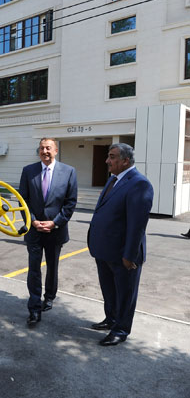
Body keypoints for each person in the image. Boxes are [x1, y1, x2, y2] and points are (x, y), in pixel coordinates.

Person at [87, 143, 153, 346]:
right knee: (109, 291)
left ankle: (121, 329)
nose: (107, 161)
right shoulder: (113, 180)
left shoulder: (140, 184)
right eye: (108, 156)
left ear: (125, 161)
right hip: (104, 250)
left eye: (112, 157)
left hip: (123, 255)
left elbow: (137, 225)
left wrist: (129, 256)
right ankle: (111, 319)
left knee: (125, 294)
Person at [18, 138, 78, 327]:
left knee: (52, 266)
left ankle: (49, 296)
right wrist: (33, 220)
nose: (45, 151)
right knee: (34, 269)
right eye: (42, 148)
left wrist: (55, 223)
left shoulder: (69, 172)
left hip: (55, 231)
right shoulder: (29, 171)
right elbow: (23, 200)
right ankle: (34, 309)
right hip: (34, 230)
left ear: (56, 150)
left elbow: (70, 202)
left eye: (48, 148)